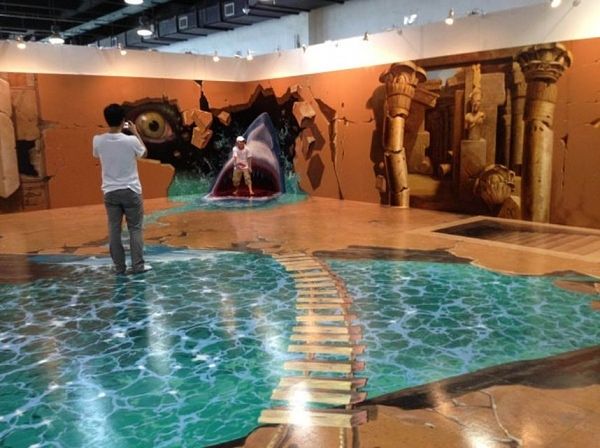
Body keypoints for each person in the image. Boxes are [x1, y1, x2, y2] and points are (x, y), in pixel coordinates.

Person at [93, 103, 151, 275]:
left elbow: (96, 154)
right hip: (131, 190)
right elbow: (144, 153)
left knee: (114, 229)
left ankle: (119, 268)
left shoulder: (98, 140)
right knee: (135, 228)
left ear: (106, 119)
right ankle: (138, 266)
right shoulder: (131, 140)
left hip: (110, 192)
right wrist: (135, 132)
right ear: (123, 120)